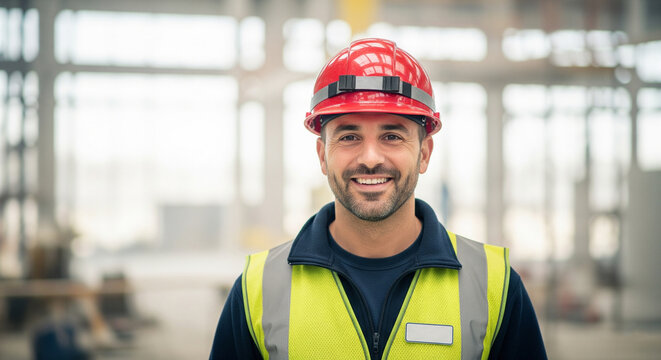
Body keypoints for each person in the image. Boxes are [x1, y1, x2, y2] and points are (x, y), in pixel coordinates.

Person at [209, 38, 547, 359]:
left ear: (424, 153)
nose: (370, 157)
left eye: (392, 135)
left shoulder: (495, 288)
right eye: (350, 136)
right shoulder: (259, 289)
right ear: (323, 155)